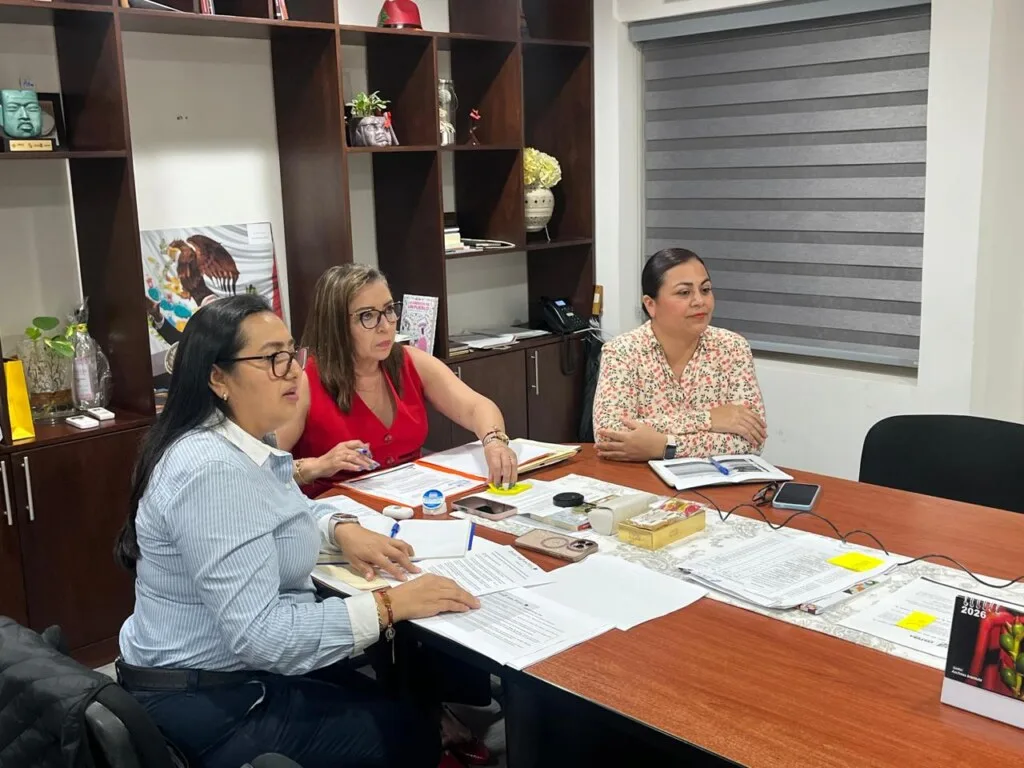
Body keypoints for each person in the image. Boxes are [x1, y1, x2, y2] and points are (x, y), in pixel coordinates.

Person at [114, 294, 479, 768]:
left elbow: (286, 510)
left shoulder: (245, 439)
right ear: (218, 377)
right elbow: (261, 635)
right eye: (272, 359)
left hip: (232, 673)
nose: (292, 371)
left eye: (291, 353)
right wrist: (391, 605)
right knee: (408, 732)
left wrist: (339, 528)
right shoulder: (211, 471)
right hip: (205, 697)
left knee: (397, 701)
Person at [278, 264, 519, 498]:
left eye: (389, 310)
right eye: (367, 316)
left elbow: (476, 407)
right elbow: (264, 466)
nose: (386, 326)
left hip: (411, 500)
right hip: (336, 513)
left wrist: (494, 442)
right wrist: (319, 465)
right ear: (336, 325)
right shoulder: (304, 381)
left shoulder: (410, 361)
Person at [593, 248, 767, 461]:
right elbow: (609, 435)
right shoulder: (623, 352)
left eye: (705, 290)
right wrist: (709, 419)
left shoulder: (732, 348)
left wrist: (665, 446)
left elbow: (753, 440)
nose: (699, 301)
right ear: (651, 305)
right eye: (684, 293)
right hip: (641, 476)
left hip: (718, 477)